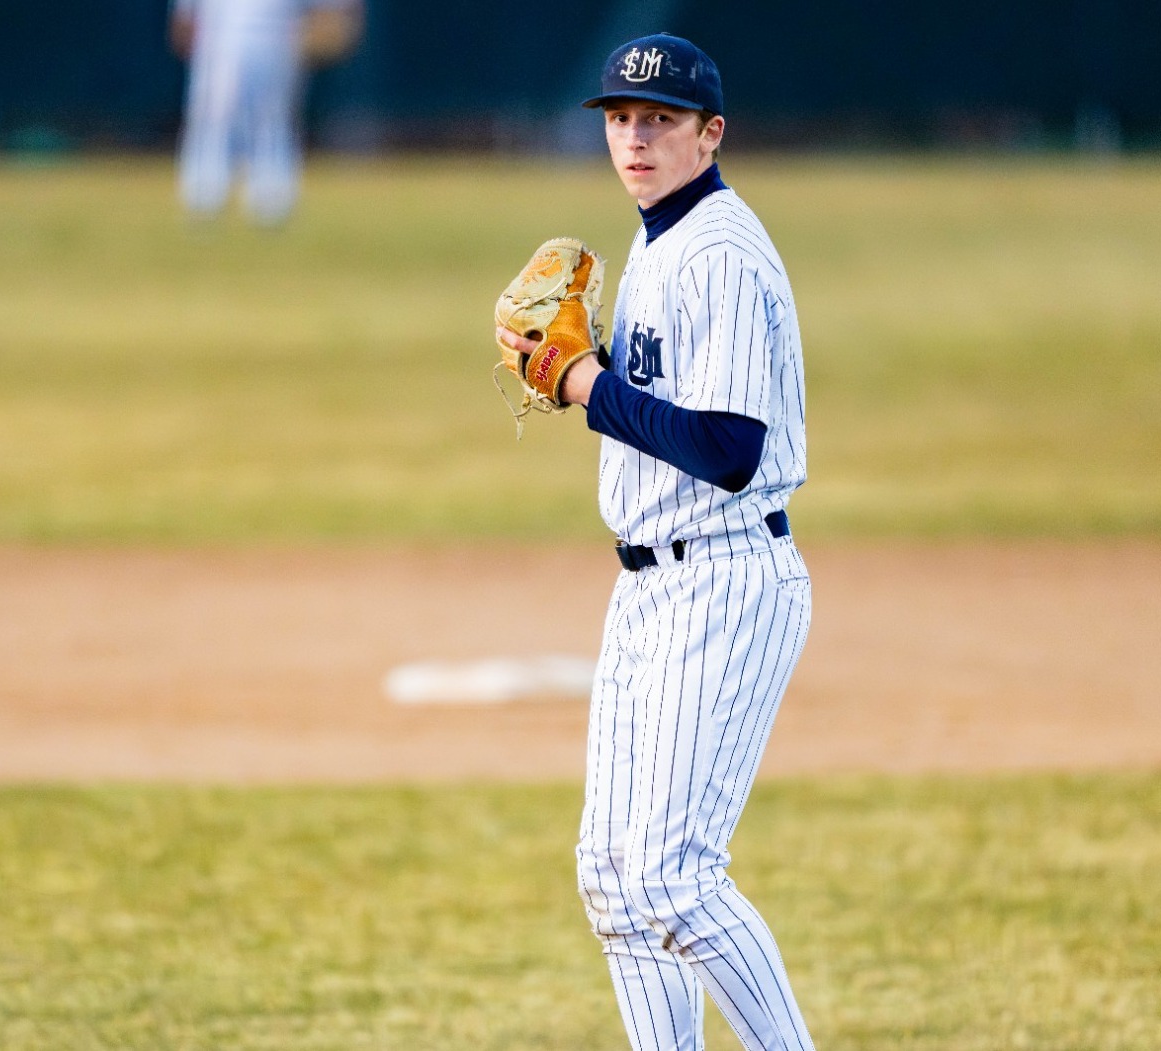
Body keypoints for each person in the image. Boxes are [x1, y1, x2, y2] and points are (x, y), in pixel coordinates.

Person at [494, 33, 818, 1051]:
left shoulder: (716, 250)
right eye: (621, 120)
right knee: (613, 877)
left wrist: (582, 384)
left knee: (673, 879)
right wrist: (590, 381)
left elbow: (727, 447)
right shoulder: (656, 237)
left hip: (722, 576)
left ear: (708, 134)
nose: (634, 138)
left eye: (660, 120)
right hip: (650, 584)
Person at [169, 0, 360, 225]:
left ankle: (244, 196)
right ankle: (217, 195)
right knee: (228, 120)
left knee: (255, 121)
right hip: (227, 42)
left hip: (266, 41)